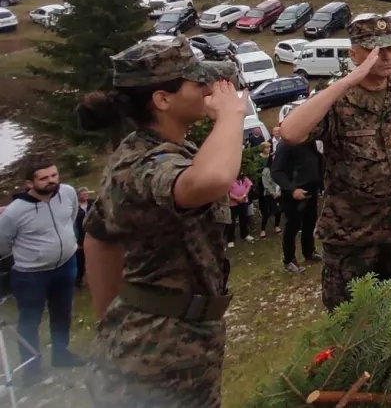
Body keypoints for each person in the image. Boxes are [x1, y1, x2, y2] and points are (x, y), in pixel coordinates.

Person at [78, 35, 245, 407]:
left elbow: (99, 237)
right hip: (156, 354)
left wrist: (113, 320)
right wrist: (232, 115)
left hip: (167, 338)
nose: (208, 88)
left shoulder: (158, 150)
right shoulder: (145, 163)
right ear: (162, 99)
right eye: (197, 81)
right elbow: (213, 179)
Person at [278, 13, 391, 311]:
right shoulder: (338, 98)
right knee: (349, 322)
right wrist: (350, 79)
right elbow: (291, 132)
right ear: (354, 54)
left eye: (390, 47)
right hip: (352, 236)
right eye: (375, 49)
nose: (385, 56)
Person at [0, 160, 82, 382]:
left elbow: (71, 217)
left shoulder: (68, 193)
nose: (52, 181)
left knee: (62, 312)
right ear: (29, 183)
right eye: (44, 178)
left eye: (54, 175)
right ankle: (31, 369)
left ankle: (61, 354)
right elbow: (3, 244)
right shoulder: (14, 213)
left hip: (67, 265)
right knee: (29, 320)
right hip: (30, 275)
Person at [269, 124, 323, 274]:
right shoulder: (285, 145)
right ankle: (289, 260)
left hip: (311, 188)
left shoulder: (307, 140)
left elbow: (316, 159)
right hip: (294, 192)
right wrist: (292, 190)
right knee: (292, 226)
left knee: (309, 222)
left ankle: (309, 252)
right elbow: (277, 171)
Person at [257, 142, 282, 238]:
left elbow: (280, 181)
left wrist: (278, 192)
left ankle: (277, 226)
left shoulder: (279, 170)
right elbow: (266, 184)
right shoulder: (266, 171)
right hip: (268, 194)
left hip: (278, 193)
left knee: (279, 210)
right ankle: (263, 229)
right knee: (266, 212)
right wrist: (272, 193)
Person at [225, 171, 252, 247]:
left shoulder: (244, 178)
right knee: (231, 222)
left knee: (244, 219)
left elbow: (249, 186)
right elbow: (227, 192)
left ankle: (245, 234)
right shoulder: (229, 179)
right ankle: (230, 239)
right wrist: (237, 198)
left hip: (244, 202)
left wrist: (244, 196)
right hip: (233, 204)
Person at [75, 187, 94, 288]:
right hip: (80, 235)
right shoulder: (74, 207)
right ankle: (78, 281)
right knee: (80, 260)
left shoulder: (93, 204)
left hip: (92, 234)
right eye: (83, 193)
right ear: (78, 195)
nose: (86, 195)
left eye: (87, 193)